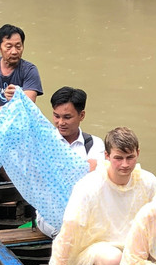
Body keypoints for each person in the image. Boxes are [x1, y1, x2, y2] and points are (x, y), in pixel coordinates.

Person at [45, 127, 156, 265]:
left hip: (135, 248)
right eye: (118, 158)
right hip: (96, 249)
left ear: (138, 154)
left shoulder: (148, 181)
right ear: (107, 156)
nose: (125, 164)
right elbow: (69, 232)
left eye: (130, 157)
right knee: (112, 259)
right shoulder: (88, 186)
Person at [35, 86, 107, 237]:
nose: (60, 122)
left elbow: (96, 178)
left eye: (67, 117)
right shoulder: (43, 142)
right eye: (56, 116)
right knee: (72, 233)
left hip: (87, 211)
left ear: (82, 115)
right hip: (50, 215)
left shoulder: (95, 144)